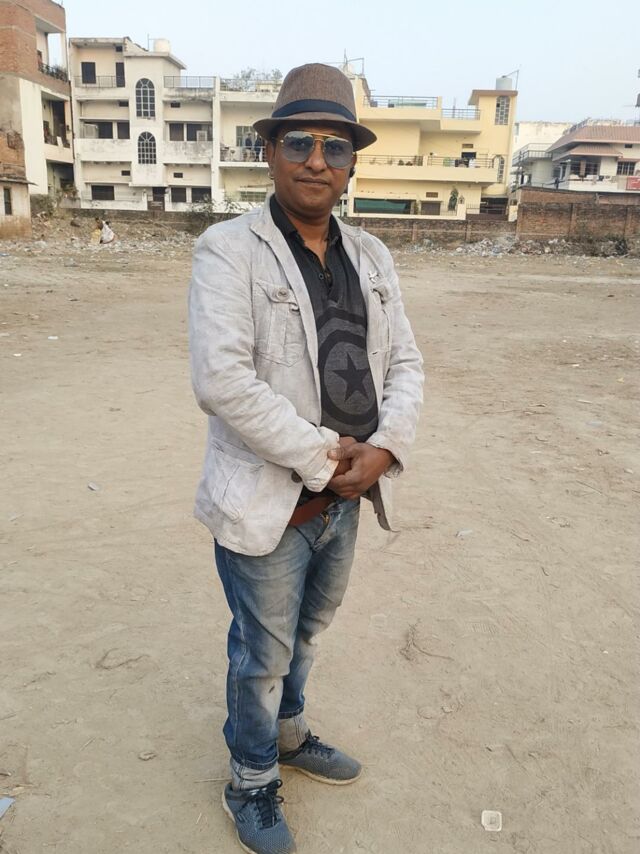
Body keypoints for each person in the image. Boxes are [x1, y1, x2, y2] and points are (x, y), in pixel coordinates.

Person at [189, 63, 423, 854]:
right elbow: (222, 381)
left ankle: (288, 737)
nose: (316, 160)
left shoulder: (374, 256)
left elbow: (406, 364)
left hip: (347, 501)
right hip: (271, 500)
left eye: (335, 145)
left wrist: (385, 449)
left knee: (308, 635)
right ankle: (251, 780)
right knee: (261, 654)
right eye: (299, 142)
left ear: (352, 162)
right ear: (269, 151)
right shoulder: (229, 250)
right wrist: (329, 460)